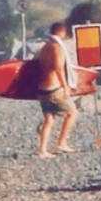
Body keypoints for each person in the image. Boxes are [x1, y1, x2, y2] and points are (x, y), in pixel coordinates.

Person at [18, 23, 82, 159]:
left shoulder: (45, 47)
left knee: (49, 120)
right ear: (62, 33)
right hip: (54, 89)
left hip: (42, 89)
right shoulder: (57, 48)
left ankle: (42, 150)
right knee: (73, 113)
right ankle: (62, 142)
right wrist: (65, 86)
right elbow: (58, 68)